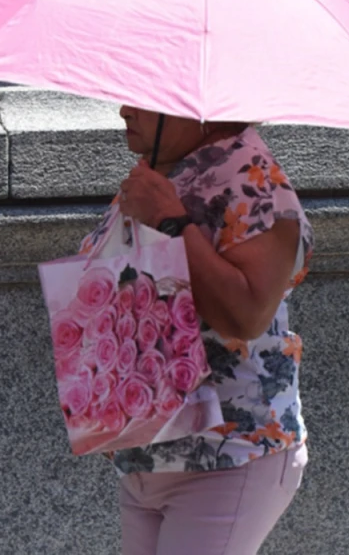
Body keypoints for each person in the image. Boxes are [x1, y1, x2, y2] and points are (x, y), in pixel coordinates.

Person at [77, 105, 314, 555]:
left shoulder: (253, 180)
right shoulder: (164, 172)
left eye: (143, 98)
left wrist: (172, 221)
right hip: (150, 454)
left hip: (229, 455)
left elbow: (246, 315)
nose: (124, 109)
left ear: (201, 108)